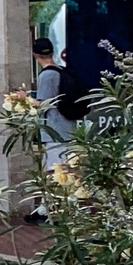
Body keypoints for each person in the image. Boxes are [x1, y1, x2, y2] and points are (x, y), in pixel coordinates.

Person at [28, 38, 76, 222]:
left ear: (35, 55)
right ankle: (46, 207)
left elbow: (44, 104)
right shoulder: (61, 71)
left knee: (56, 169)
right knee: (62, 168)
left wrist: (26, 100)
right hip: (66, 127)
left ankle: (57, 208)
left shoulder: (47, 75)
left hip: (55, 129)